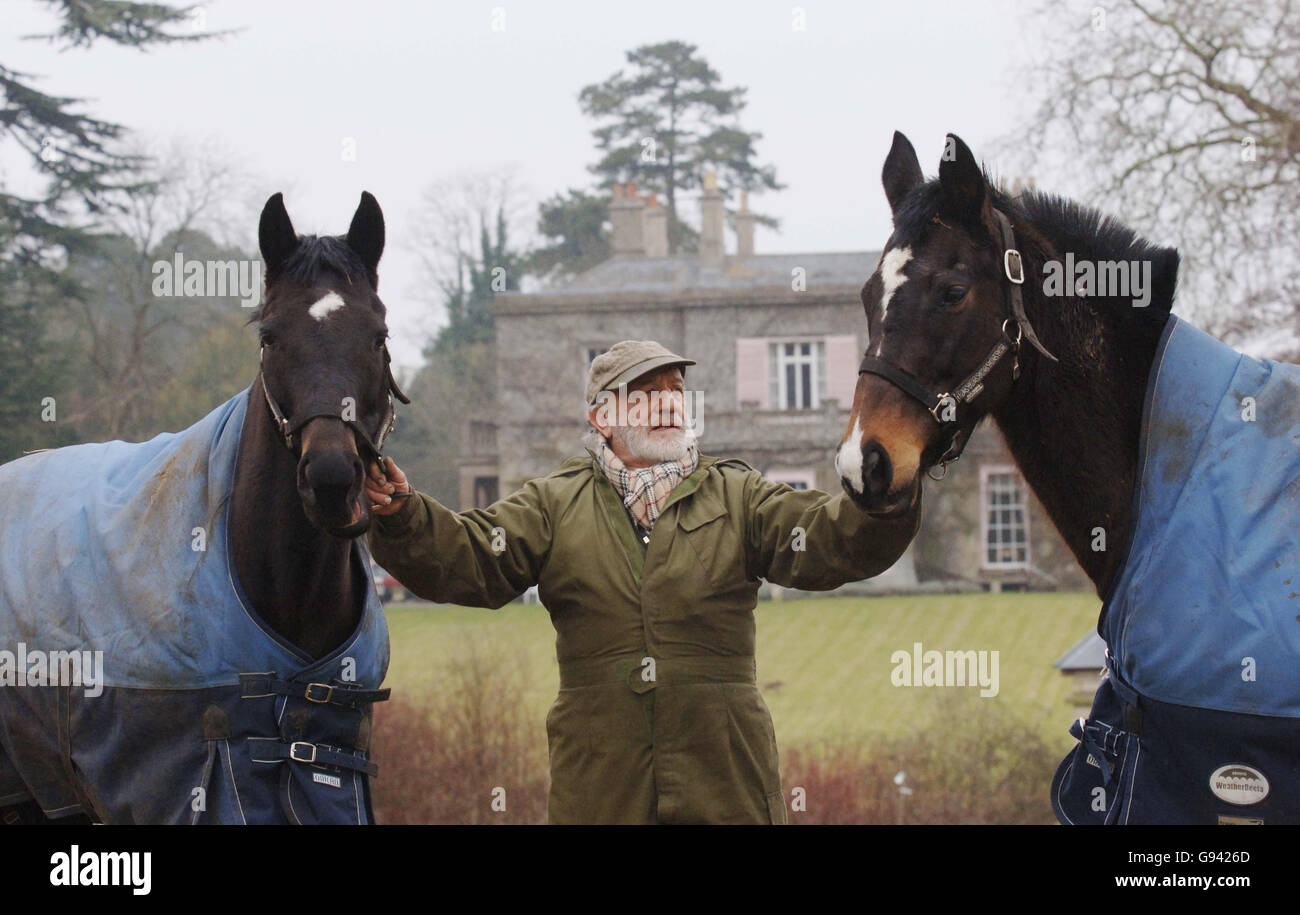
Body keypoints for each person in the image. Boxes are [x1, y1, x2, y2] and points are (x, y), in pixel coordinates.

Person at [365, 340, 920, 824]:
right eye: (645, 392)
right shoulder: (554, 503)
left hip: (728, 791)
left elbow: (826, 540)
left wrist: (884, 498)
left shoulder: (739, 496)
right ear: (602, 418)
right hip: (601, 794)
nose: (668, 402)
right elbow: (470, 558)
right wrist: (402, 515)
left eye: (676, 389)